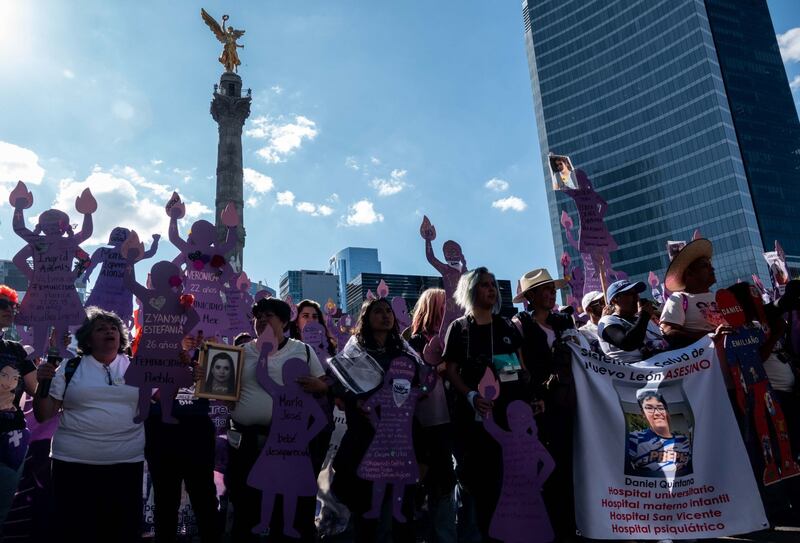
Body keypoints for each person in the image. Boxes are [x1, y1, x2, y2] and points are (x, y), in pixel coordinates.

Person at [33, 308, 144, 543]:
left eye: (113, 328)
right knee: (76, 531)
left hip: (125, 466)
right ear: (88, 339)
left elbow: (163, 398)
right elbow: (44, 414)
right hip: (73, 467)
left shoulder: (138, 368)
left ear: (121, 336)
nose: (109, 331)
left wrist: (187, 365)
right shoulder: (70, 367)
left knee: (121, 532)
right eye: (101, 328)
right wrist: (43, 381)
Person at [225, 297, 327, 542]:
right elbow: (225, 391)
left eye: (268, 315)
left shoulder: (302, 350)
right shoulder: (240, 352)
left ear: (283, 321)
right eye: (257, 316)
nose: (261, 320)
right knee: (247, 507)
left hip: (288, 445)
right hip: (247, 443)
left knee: (287, 511)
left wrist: (317, 385)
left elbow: (323, 387)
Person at [329, 297, 430, 542]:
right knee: (367, 513)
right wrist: (358, 401)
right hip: (365, 440)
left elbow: (419, 386)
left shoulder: (404, 352)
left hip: (399, 438)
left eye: (388, 311)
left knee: (401, 513)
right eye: (378, 312)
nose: (385, 315)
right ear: (366, 318)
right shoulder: (354, 353)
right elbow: (338, 385)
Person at [443, 267, 525, 542]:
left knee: (503, 486)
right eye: (484, 285)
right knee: (471, 487)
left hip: (506, 420)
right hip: (470, 424)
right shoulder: (460, 328)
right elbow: (451, 370)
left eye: (494, 285)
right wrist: (470, 396)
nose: (492, 289)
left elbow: (520, 367)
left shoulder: (506, 326)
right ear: (471, 289)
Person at [511, 268, 575, 542]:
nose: (551, 293)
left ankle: (572, 526)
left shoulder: (565, 322)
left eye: (552, 288)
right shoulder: (519, 324)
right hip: (540, 406)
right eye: (545, 289)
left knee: (571, 464)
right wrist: (531, 396)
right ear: (530, 296)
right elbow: (518, 363)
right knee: (549, 469)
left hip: (570, 402)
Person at [407, 288, 457, 543]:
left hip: (449, 420)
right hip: (420, 423)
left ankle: (444, 535)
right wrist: (436, 369)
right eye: (442, 305)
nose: (446, 309)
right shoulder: (411, 342)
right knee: (420, 483)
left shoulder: (454, 336)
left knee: (445, 482)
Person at [0, 285, 37, 532]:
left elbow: (37, 389)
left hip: (10, 439)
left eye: (11, 306)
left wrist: (54, 356)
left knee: (2, 510)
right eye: (1, 305)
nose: (9, 310)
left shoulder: (16, 350)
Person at [660, 239, 728, 348]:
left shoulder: (720, 297)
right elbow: (669, 332)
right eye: (705, 266)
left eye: (710, 265)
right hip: (706, 361)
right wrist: (711, 337)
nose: (712, 268)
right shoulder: (678, 299)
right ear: (689, 273)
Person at [598, 280, 668, 364]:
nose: (636, 297)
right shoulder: (607, 321)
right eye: (629, 294)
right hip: (635, 374)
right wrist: (644, 316)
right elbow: (628, 343)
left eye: (636, 293)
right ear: (615, 300)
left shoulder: (644, 319)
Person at [626, 391, 692, 477]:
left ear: (667, 411)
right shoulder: (635, 438)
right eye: (649, 408)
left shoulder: (684, 441)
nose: (656, 413)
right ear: (643, 413)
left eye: (660, 408)